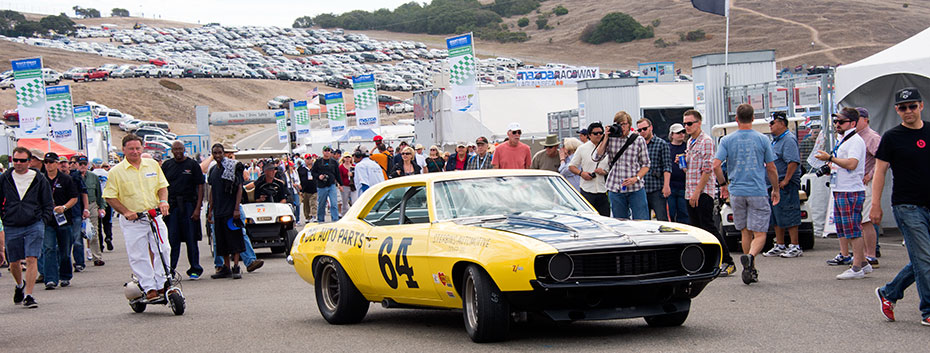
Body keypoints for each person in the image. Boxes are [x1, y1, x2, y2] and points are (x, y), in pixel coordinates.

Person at [873, 87, 930, 325]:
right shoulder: (891, 137)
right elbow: (880, 171)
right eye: (903, 107)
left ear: (921, 106)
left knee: (923, 259)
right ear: (897, 110)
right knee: (925, 259)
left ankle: (889, 292)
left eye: (912, 106)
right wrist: (875, 204)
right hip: (907, 206)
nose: (908, 111)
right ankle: (928, 311)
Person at [713, 104, 780, 285]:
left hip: (736, 190)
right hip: (757, 189)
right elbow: (771, 167)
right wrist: (775, 188)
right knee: (760, 233)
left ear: (736, 119)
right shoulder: (762, 139)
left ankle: (749, 267)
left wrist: (723, 184)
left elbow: (716, 164)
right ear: (752, 119)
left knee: (745, 231)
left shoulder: (727, 140)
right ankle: (750, 257)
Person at [103, 135, 173, 300]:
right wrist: (126, 211)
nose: (135, 152)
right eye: (131, 149)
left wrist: (163, 201)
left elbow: (162, 186)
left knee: (163, 248)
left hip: (153, 215)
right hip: (133, 220)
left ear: (142, 149)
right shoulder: (116, 172)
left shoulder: (152, 165)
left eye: (137, 148)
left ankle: (163, 283)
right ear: (124, 150)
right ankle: (149, 288)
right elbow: (110, 196)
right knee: (138, 254)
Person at [815, 107, 869, 279]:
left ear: (852, 123)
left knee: (853, 229)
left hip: (850, 190)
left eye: (841, 121)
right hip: (841, 188)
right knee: (845, 228)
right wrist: (832, 167)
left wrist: (830, 159)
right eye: (836, 121)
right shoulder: (844, 139)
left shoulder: (855, 141)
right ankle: (863, 264)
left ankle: (857, 268)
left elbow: (852, 164)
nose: (837, 124)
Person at [0, 147, 54, 308]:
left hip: (34, 222)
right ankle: (19, 285)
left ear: (29, 162)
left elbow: (47, 202)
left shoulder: (38, 178)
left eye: (22, 160)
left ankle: (29, 295)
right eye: (15, 160)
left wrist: (43, 219)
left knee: (32, 258)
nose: (18, 163)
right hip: (12, 224)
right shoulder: (5, 178)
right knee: (14, 262)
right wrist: (4, 217)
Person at [684, 110, 735, 276]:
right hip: (690, 190)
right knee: (696, 230)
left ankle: (727, 260)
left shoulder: (705, 141)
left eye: (690, 123)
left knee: (708, 227)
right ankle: (705, 262)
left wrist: (697, 192)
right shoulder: (690, 141)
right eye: (685, 124)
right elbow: (691, 169)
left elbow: (707, 170)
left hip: (702, 192)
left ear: (699, 123)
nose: (687, 127)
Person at [593, 111, 651, 220]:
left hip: (635, 187)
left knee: (642, 220)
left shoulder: (638, 140)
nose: (621, 127)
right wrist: (605, 137)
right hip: (615, 187)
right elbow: (597, 157)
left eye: (624, 124)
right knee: (620, 221)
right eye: (618, 124)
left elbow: (646, 164)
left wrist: (636, 178)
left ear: (629, 124)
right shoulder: (611, 139)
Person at [161, 141, 205, 280]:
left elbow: (200, 186)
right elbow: (161, 186)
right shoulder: (167, 165)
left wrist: (198, 208)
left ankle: (195, 269)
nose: (178, 151)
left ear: (184, 150)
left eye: (180, 149)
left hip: (188, 206)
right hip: (172, 207)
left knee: (191, 239)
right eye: (175, 149)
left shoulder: (192, 165)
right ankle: (170, 270)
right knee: (172, 240)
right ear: (172, 151)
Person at [763, 112, 804, 259]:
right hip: (775, 185)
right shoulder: (775, 141)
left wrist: (786, 180)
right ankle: (780, 244)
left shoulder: (788, 140)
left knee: (789, 212)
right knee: (776, 215)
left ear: (781, 123)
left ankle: (794, 245)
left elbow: (793, 162)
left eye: (772, 123)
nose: (770, 126)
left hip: (785, 184)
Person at [205, 143, 246, 280]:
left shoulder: (233, 167)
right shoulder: (213, 171)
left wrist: (236, 208)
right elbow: (211, 191)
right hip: (218, 210)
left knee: (234, 239)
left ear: (224, 153)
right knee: (221, 240)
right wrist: (210, 211)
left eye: (219, 153)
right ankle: (226, 267)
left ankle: (236, 267)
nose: (217, 156)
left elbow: (239, 188)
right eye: (215, 153)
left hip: (230, 209)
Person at [41, 153, 79, 290]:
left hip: (64, 220)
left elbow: (74, 198)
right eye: (46, 162)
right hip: (47, 220)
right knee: (49, 248)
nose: (48, 164)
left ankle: (65, 275)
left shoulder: (66, 179)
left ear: (56, 163)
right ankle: (50, 278)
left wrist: (64, 207)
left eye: (51, 162)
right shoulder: (40, 179)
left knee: (64, 250)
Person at [855, 107, 882, 267]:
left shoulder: (871, 137)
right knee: (860, 220)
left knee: (867, 220)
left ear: (866, 119)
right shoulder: (855, 137)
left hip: (867, 182)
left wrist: (870, 174)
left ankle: (871, 253)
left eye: (857, 119)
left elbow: (882, 159)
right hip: (857, 182)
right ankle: (864, 252)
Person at [569, 122, 610, 216]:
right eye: (596, 133)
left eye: (601, 133)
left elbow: (611, 167)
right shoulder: (582, 148)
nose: (598, 135)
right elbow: (571, 166)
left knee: (605, 218)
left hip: (603, 190)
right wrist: (581, 173)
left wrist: (604, 172)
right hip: (587, 190)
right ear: (589, 135)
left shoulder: (608, 147)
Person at [637, 118, 672, 221]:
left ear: (651, 128)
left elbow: (667, 166)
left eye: (644, 129)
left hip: (657, 188)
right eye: (640, 130)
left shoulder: (661, 144)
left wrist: (666, 186)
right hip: (641, 188)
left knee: (662, 219)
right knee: (643, 220)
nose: (642, 132)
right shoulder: (637, 145)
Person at [74, 155, 106, 266]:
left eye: (85, 164)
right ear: (76, 165)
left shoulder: (93, 177)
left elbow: (99, 193)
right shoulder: (72, 176)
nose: (83, 166)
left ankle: (97, 257)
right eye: (80, 164)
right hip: (76, 206)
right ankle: (78, 260)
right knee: (76, 234)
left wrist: (101, 207)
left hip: (92, 204)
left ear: (88, 165)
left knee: (93, 232)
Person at [62, 157, 89, 273]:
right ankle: (65, 264)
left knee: (77, 239)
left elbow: (84, 193)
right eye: (60, 163)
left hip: (76, 212)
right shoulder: (55, 179)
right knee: (64, 241)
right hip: (62, 214)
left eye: (65, 163)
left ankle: (79, 262)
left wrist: (86, 209)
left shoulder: (76, 177)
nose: (63, 166)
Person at [312, 146, 341, 222]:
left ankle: (335, 219)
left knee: (334, 204)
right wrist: (319, 176)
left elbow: (337, 174)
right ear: (323, 152)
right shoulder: (318, 162)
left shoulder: (334, 162)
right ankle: (320, 219)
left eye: (329, 151)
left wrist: (340, 184)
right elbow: (313, 172)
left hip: (331, 185)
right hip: (321, 186)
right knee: (321, 204)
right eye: (325, 150)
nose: (327, 152)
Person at [667, 123, 689, 223]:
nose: (681, 134)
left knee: (684, 213)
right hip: (670, 185)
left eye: (683, 132)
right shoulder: (667, 148)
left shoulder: (687, 147)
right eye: (678, 132)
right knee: (670, 213)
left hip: (684, 185)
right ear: (672, 135)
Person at [298, 154, 317, 222]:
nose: (309, 160)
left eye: (310, 158)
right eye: (307, 158)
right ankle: (307, 217)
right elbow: (298, 177)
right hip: (305, 188)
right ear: (305, 160)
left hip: (314, 187)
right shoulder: (301, 168)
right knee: (306, 204)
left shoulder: (315, 167)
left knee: (313, 203)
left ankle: (314, 215)